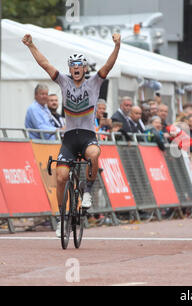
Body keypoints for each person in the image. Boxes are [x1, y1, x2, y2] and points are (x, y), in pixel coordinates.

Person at [22, 32, 121, 238]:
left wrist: (117, 46)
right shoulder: (64, 82)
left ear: (85, 69)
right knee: (61, 176)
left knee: (94, 154)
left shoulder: (94, 82)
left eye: (79, 66)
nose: (76, 69)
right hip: (69, 138)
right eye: (73, 66)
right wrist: (31, 45)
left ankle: (87, 192)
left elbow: (109, 66)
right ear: (70, 69)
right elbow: (45, 64)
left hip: (86, 135)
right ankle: (60, 219)